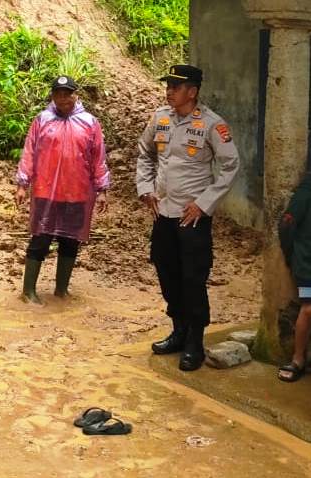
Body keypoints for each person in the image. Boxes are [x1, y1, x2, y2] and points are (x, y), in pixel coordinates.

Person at [136, 64, 240, 372]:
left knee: (193, 278)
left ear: (192, 92)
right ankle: (178, 330)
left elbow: (230, 165)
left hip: (192, 218)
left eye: (176, 86)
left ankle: (195, 339)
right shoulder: (160, 117)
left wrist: (204, 203)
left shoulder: (212, 124)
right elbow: (145, 153)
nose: (169, 90)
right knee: (167, 272)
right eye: (168, 85)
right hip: (163, 213)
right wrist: (145, 189)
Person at [14, 75, 110, 304]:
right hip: (46, 193)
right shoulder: (42, 120)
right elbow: (29, 153)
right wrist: (21, 184)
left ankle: (61, 289)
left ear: (76, 95)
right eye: (58, 94)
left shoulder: (89, 123)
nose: (63, 98)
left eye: (68, 93)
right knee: (40, 239)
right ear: (53, 96)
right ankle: (28, 292)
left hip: (77, 193)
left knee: (70, 241)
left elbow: (98, 158)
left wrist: (102, 188)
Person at [278, 173, 311, 381]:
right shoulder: (306, 191)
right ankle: (298, 359)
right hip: (308, 265)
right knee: (308, 309)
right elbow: (286, 224)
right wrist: (293, 257)